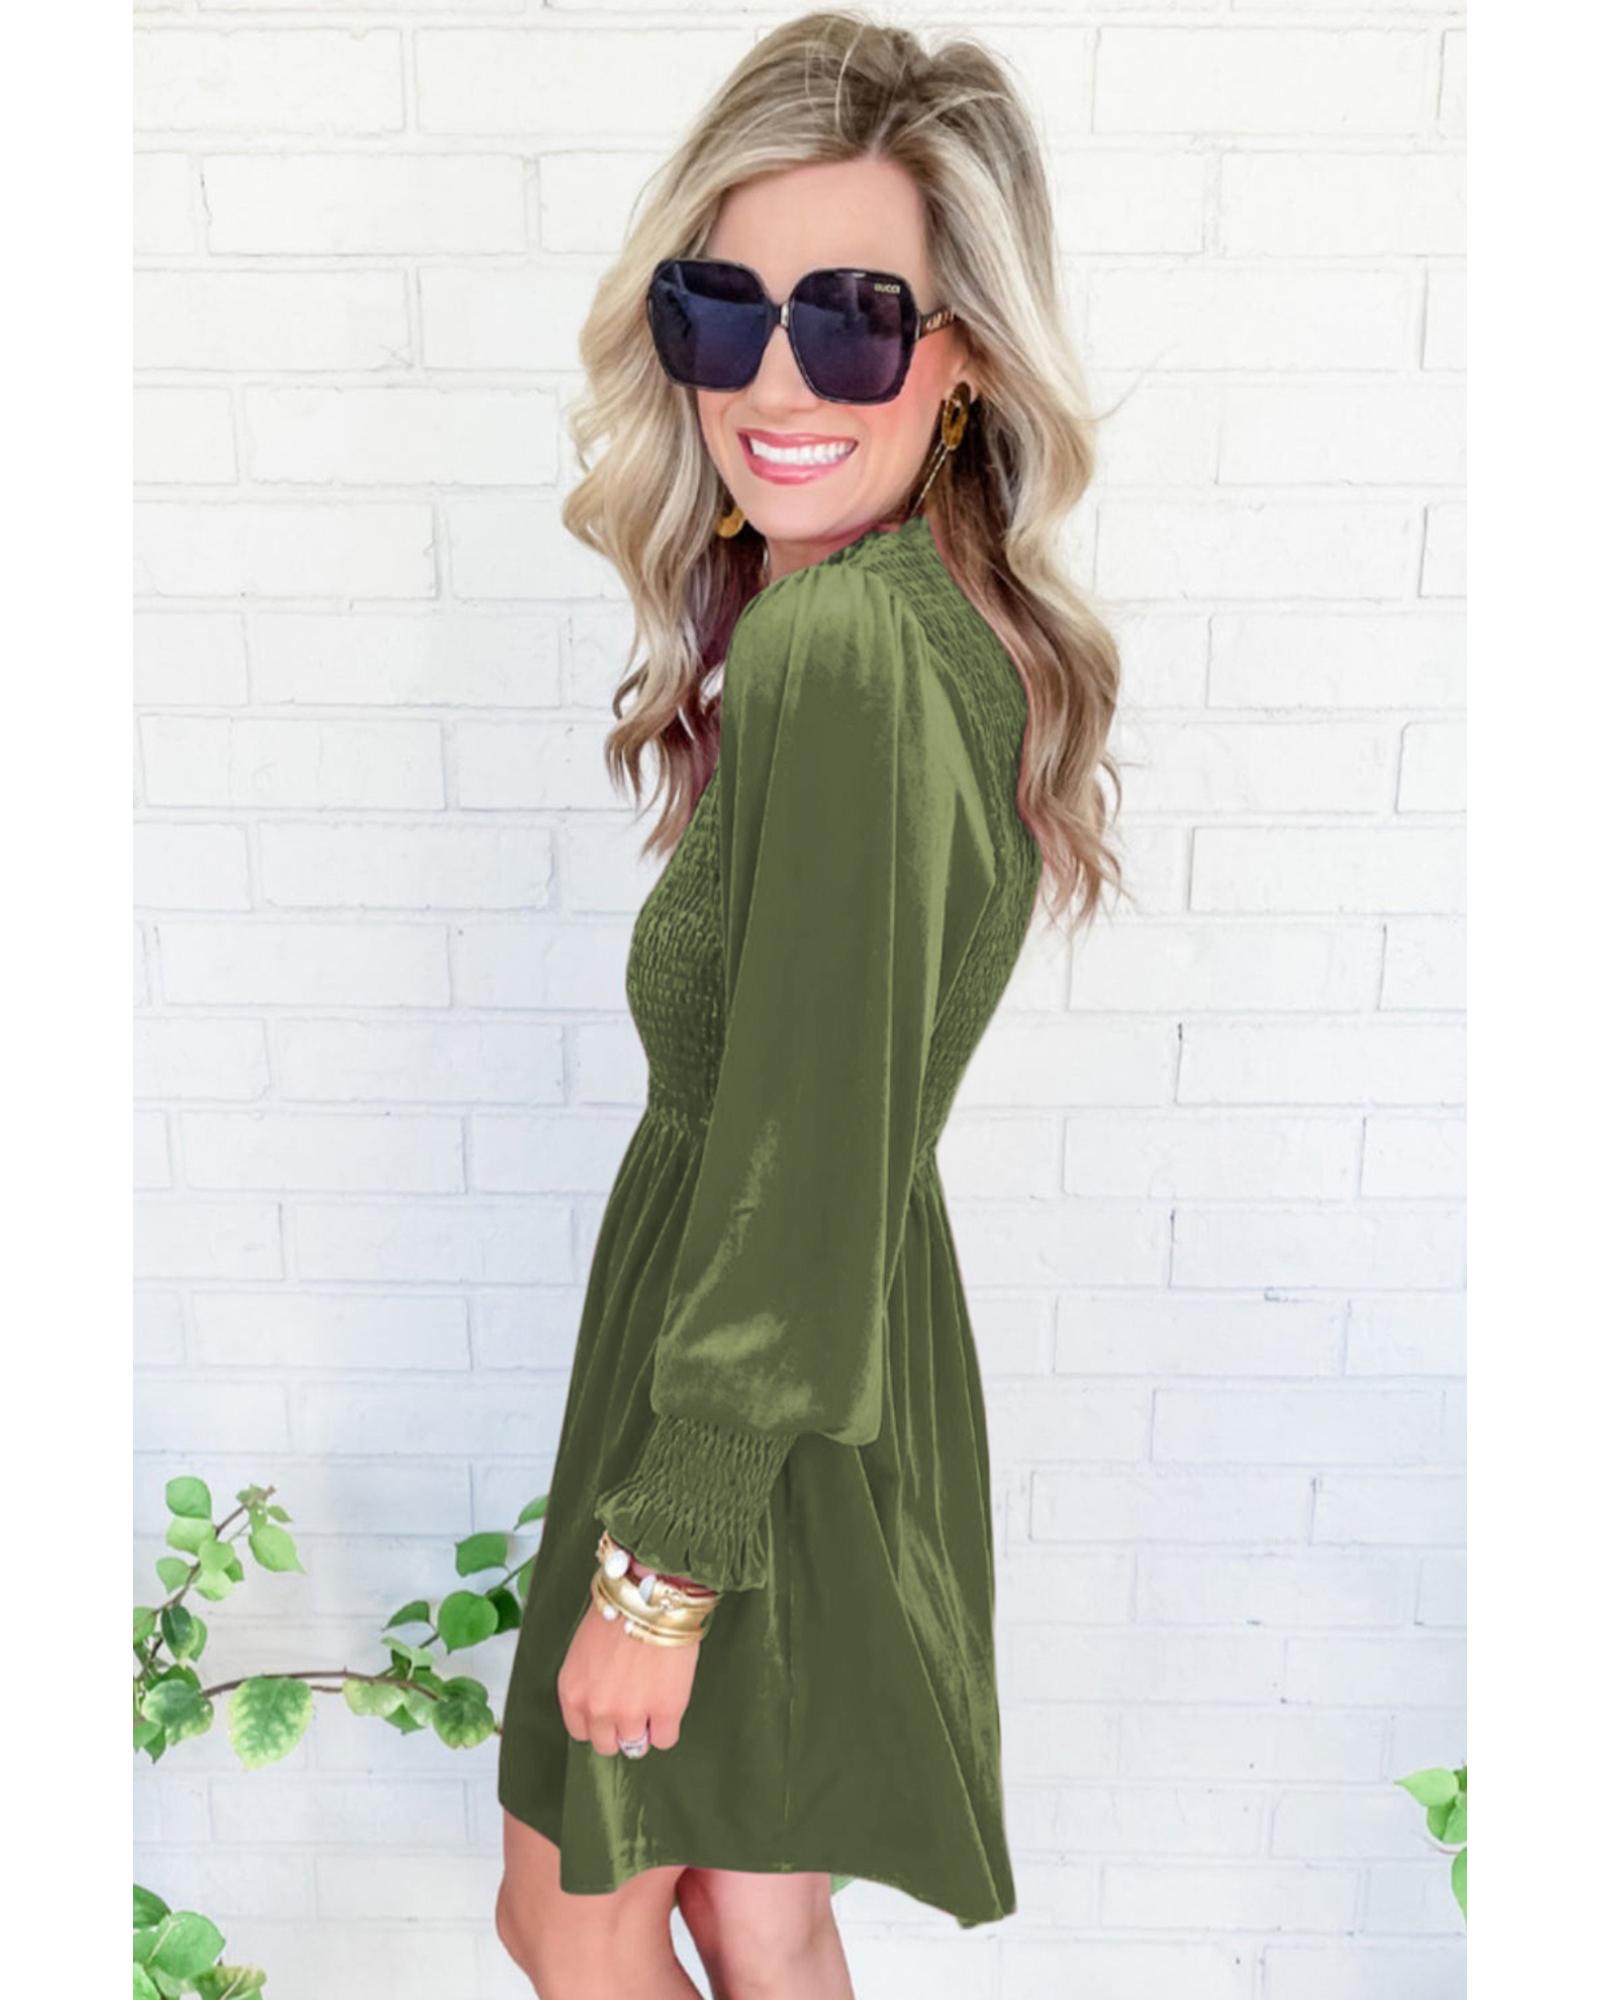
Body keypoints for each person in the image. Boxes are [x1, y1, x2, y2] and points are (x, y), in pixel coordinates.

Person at [494, 13, 1123, 1997]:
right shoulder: (917, 615)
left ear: (963, 358)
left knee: (575, 1911)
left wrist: (662, 1567)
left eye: (853, 322)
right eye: (720, 308)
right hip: (821, 1360)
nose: (773, 381)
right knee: (749, 1905)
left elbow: (794, 1148)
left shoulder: (844, 652)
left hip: (750, 1377)